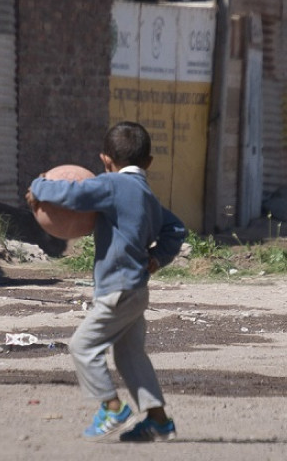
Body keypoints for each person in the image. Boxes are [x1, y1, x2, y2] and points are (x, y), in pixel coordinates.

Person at [26, 121, 187, 442]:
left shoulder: (111, 185)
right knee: (130, 356)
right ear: (149, 162)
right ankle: (158, 421)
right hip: (136, 289)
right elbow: (176, 228)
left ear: (105, 160)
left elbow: (69, 193)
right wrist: (159, 257)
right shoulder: (146, 195)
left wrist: (39, 185)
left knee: (82, 347)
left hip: (118, 290)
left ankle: (112, 407)